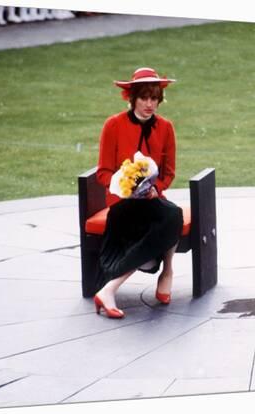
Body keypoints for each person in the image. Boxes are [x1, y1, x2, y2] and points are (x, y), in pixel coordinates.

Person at [93, 67, 183, 319]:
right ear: (132, 98)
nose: (150, 104)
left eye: (154, 98)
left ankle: (167, 272)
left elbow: (168, 173)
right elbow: (103, 172)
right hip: (123, 204)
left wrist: (156, 189)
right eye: (144, 98)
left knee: (171, 214)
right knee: (168, 218)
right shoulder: (113, 125)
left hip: (153, 201)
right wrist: (124, 186)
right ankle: (117, 287)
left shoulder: (165, 127)